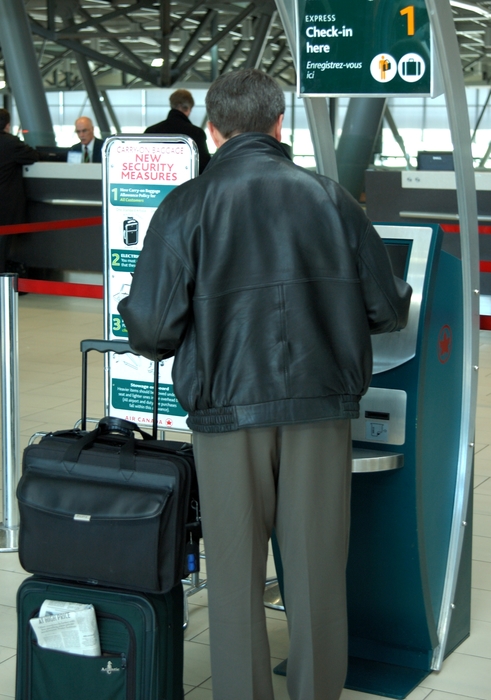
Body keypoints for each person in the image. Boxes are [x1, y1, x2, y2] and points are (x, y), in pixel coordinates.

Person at [118, 69, 412, 700]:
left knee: (234, 581)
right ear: (282, 125)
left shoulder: (186, 206)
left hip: (226, 416)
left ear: (213, 131)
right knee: (315, 580)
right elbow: (388, 310)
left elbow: (151, 328)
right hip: (319, 411)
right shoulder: (333, 200)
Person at [0, 108, 39, 271]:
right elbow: (32, 156)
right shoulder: (11, 143)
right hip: (5, 207)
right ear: (8, 125)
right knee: (2, 249)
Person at [145, 88, 210, 173]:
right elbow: (205, 168)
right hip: (188, 185)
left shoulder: (150, 132)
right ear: (188, 109)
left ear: (172, 105)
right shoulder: (197, 133)